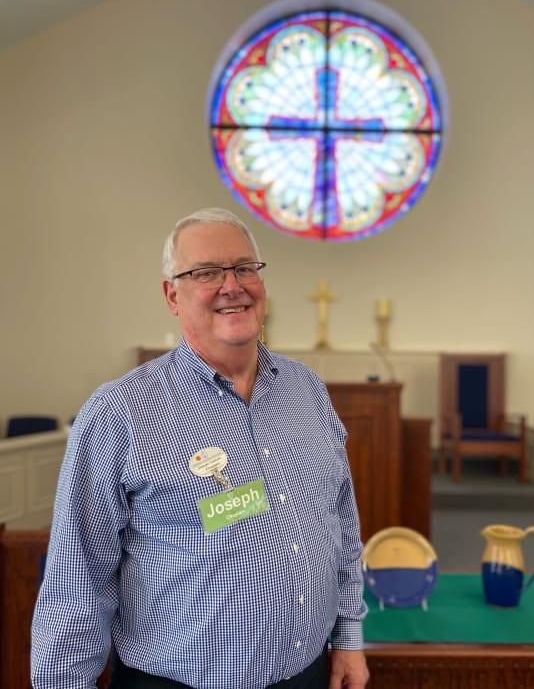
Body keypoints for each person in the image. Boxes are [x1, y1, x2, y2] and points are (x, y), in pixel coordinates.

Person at [31, 207, 370, 689]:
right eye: (205, 273)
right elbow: (76, 583)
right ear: (173, 294)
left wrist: (349, 638)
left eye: (244, 268)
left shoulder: (307, 391)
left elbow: (341, 520)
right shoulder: (120, 412)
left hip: (307, 674)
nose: (232, 285)